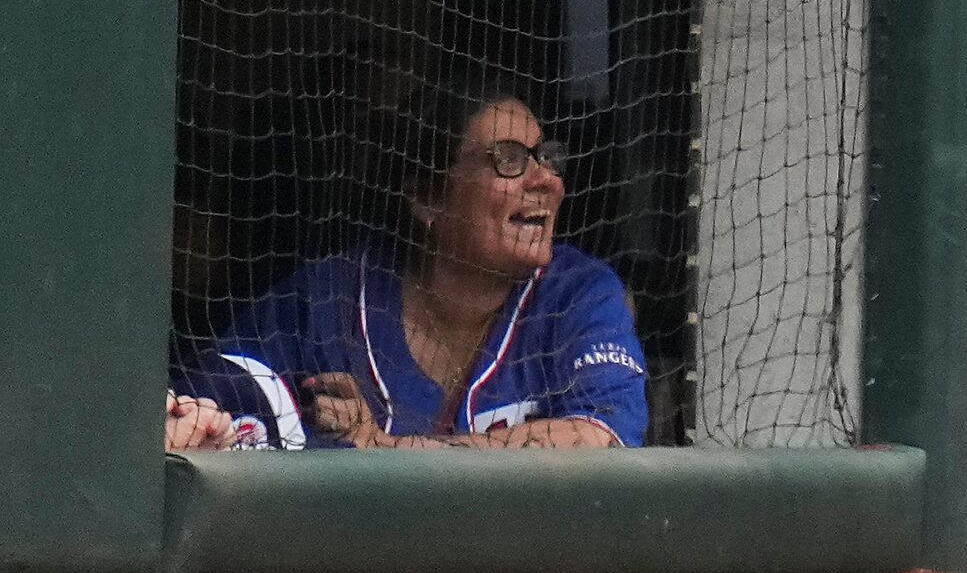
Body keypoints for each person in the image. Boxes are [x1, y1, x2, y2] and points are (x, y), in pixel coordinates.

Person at [169, 72, 648, 449]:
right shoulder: (326, 301)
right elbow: (196, 405)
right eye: (509, 159)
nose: (546, 180)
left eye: (548, 158)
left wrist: (388, 451)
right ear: (427, 197)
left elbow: (601, 437)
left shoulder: (579, 293)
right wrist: (202, 426)